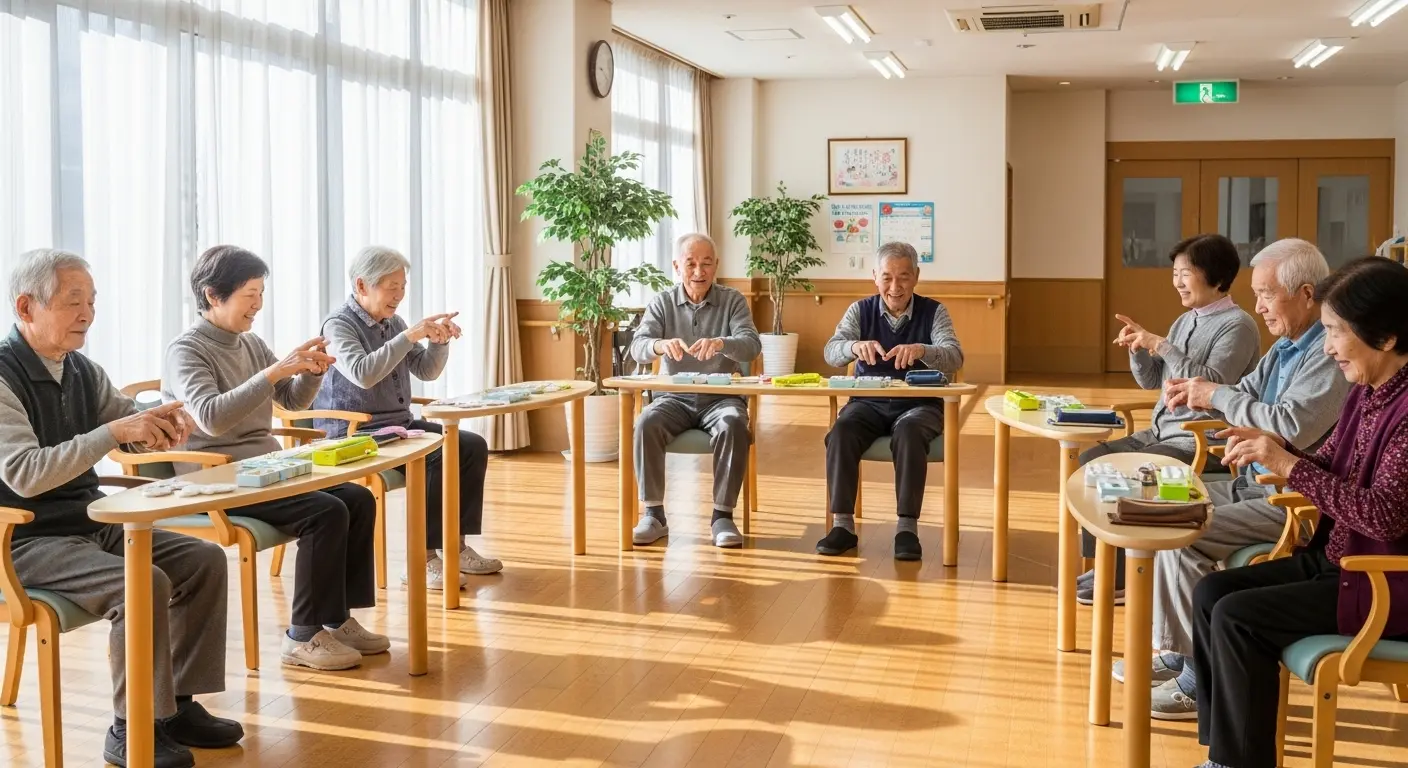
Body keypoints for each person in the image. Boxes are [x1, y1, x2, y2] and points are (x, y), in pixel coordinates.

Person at [1, 249, 241, 768]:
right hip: (22, 540)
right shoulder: (1, 376)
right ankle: (129, 729)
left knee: (202, 562)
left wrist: (156, 424)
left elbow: (122, 421)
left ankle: (174, 706)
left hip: (87, 521)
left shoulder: (81, 369)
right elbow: (24, 472)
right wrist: (115, 432)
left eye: (92, 301)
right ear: (26, 307)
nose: (87, 313)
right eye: (73, 302)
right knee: (143, 583)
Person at [1116, 239, 1352, 720]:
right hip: (1255, 480)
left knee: (1180, 533)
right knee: (1158, 502)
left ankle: (1192, 676)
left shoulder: (1327, 356)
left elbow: (1289, 424)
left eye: (1267, 294)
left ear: (1307, 294)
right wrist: (1202, 392)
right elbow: (1241, 393)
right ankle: (1181, 653)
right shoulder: (1286, 347)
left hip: (1291, 499)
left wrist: (1215, 393)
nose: (1259, 306)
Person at [1191, 256, 1408, 768]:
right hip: (1340, 562)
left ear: (1387, 337)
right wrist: (1270, 446)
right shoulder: (1367, 391)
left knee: (1238, 617)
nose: (1328, 346)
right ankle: (1221, 749)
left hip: (1382, 583)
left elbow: (1381, 517)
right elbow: (1333, 464)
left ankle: (1237, 762)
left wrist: (1287, 464)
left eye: (1335, 332)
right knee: (1211, 592)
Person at [163, 245, 384, 673]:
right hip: (216, 476)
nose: (258, 304)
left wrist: (310, 375)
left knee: (357, 499)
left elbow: (291, 402)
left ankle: (336, 621)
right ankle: (302, 636)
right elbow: (209, 418)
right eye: (250, 294)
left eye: (261, 292)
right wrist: (273, 372)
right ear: (213, 295)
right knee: (325, 512)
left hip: (263, 470)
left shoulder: (250, 343)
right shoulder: (186, 350)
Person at [1077, 233, 1261, 601]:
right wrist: (1138, 349)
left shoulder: (1238, 326)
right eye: (1175, 272)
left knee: (1131, 473)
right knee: (1091, 462)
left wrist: (1160, 344)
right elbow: (1150, 382)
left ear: (1217, 277)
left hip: (1202, 439)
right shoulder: (1184, 321)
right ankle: (1108, 561)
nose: (1177, 281)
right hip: (1162, 432)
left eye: (1186, 273)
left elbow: (1211, 386)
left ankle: (1123, 578)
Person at [312, 245, 498, 591]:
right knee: (435, 455)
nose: (398, 294)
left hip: (398, 427)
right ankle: (421, 559)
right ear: (362, 286)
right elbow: (363, 374)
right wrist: (410, 334)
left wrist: (439, 343)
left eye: (402, 285)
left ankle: (454, 546)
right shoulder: (339, 326)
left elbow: (426, 371)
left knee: (469, 445)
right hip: (355, 431)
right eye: (390, 286)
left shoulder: (393, 323)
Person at [818, 241, 964, 561]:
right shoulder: (860, 310)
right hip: (868, 402)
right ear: (874, 277)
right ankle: (842, 525)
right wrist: (854, 348)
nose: (895, 287)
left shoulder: (934, 311)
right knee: (841, 431)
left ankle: (907, 528)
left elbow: (954, 356)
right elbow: (831, 350)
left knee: (909, 433)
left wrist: (923, 350)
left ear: (916, 277)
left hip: (919, 405)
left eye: (903, 277)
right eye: (887, 277)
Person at [628, 233, 761, 548]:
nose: (699, 272)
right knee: (646, 422)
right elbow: (637, 347)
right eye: (691, 264)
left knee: (733, 424)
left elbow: (751, 346)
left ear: (716, 266)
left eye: (706, 264)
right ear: (677, 266)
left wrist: (722, 343)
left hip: (722, 398)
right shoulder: (662, 302)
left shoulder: (733, 301)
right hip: (674, 398)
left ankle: (722, 516)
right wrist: (659, 344)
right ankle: (654, 515)